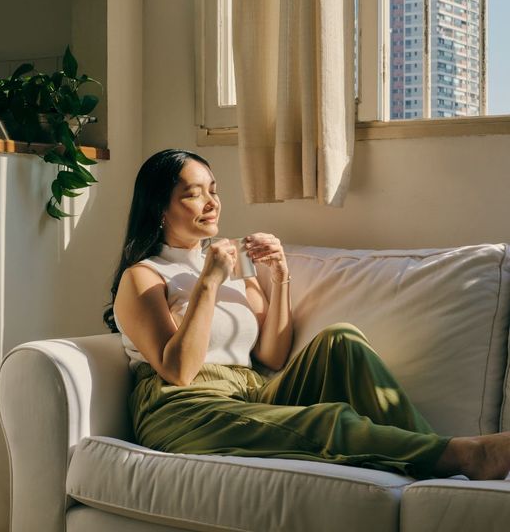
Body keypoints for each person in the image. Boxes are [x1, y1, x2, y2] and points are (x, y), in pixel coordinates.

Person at [104, 148, 510, 480]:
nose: (212, 203)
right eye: (193, 194)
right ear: (160, 208)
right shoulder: (144, 277)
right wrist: (208, 283)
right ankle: (462, 457)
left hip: (249, 391)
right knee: (327, 420)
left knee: (342, 339)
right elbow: (178, 371)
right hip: (181, 408)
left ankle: (442, 471)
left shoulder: (230, 260)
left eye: (214, 190)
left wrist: (279, 277)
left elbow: (272, 358)